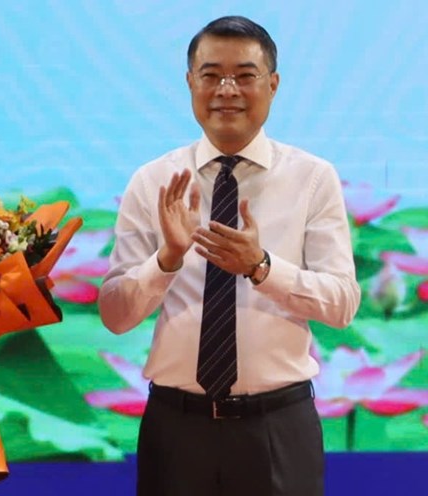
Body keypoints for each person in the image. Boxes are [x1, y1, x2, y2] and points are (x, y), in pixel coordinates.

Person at [98, 15, 361, 496]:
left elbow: (342, 304)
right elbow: (115, 316)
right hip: (177, 428)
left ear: (273, 84)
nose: (227, 89)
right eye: (211, 74)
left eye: (244, 75)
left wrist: (262, 267)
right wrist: (168, 258)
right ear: (190, 83)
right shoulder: (153, 181)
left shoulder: (313, 178)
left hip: (278, 425)